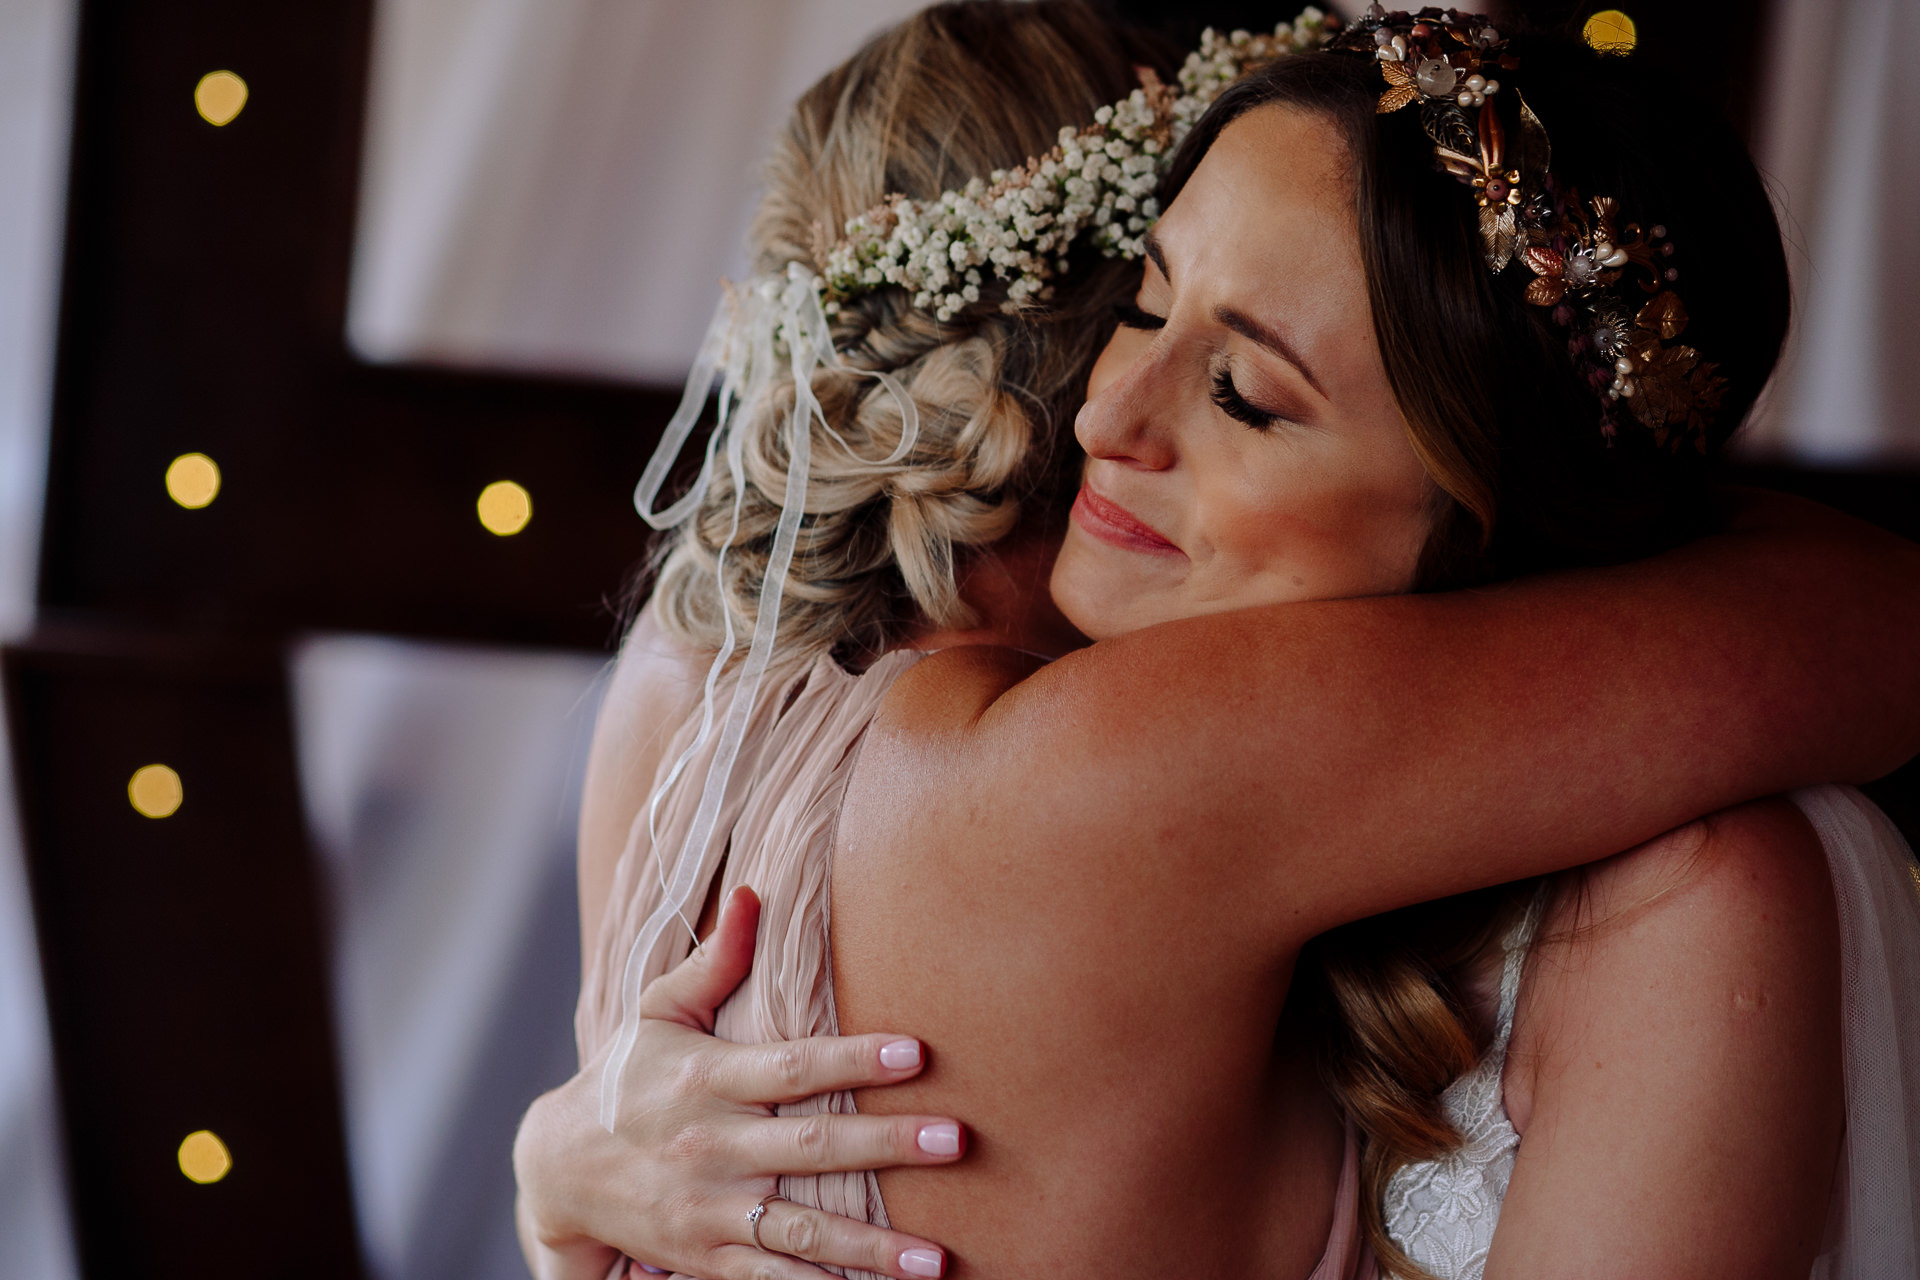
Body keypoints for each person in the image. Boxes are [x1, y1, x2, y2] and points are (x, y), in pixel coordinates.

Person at [514, 6, 1920, 1280]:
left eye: (1246, 390)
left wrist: (547, 1173)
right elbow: (1877, 619)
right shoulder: (1111, 768)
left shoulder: (683, 676)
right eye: (1140, 304)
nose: (1114, 413)